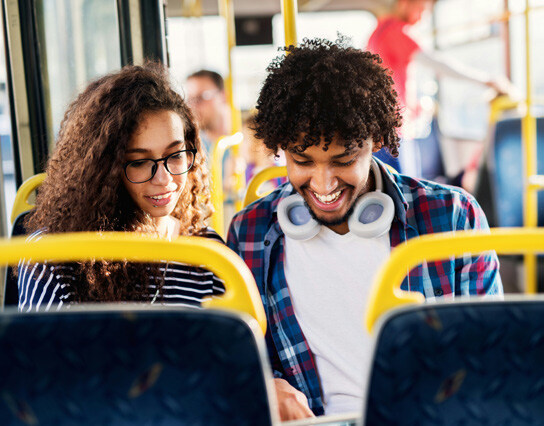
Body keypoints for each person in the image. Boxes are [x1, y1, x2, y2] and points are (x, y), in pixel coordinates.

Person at [227, 37, 502, 420]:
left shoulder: (454, 217)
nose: (323, 184)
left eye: (343, 160)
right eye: (302, 161)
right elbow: (244, 355)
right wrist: (264, 383)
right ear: (281, 150)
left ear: (375, 141)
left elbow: (486, 352)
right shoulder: (251, 233)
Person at [18, 63, 224, 311]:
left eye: (176, 155)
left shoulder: (209, 253)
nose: (163, 178)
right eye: (139, 162)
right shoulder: (55, 256)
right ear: (105, 169)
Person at [367, 0, 514, 174]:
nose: (424, 17)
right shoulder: (395, 31)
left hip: (384, 127)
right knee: (402, 189)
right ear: (404, 4)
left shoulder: (379, 31)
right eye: (421, 9)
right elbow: (438, 64)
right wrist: (486, 80)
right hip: (393, 130)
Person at [185, 69, 230, 161]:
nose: (194, 106)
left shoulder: (248, 140)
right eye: (191, 99)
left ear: (223, 96)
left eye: (202, 97)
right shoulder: (192, 147)